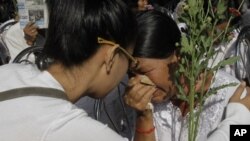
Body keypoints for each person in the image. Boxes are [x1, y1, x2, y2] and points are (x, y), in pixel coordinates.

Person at [0, 0, 156, 141]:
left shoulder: (8, 71)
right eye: (130, 60)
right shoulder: (80, 132)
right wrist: (145, 118)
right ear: (111, 55)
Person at [124, 10, 250, 141]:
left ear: (178, 56)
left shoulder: (235, 98)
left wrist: (236, 120)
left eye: (143, 72)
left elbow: (243, 134)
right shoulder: (140, 105)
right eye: (130, 74)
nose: (135, 82)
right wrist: (143, 117)